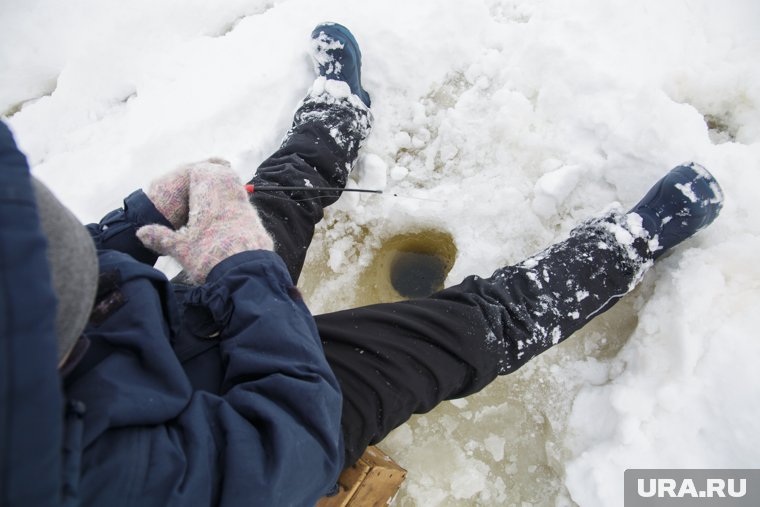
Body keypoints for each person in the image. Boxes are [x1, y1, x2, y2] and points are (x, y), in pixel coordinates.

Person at [0, 22, 723, 507]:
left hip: (157, 325)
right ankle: (624, 246)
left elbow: (31, 254)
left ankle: (334, 119)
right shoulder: (75, 476)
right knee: (462, 331)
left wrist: (129, 225)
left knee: (269, 202)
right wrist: (241, 265)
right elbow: (288, 448)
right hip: (260, 423)